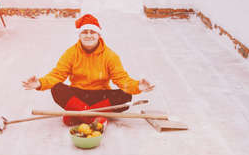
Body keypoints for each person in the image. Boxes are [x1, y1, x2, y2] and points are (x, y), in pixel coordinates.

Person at [22, 13, 154, 125]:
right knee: (57, 88)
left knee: (125, 95)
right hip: (78, 96)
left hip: (100, 97)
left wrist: (138, 86)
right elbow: (57, 75)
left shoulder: (110, 55)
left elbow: (122, 80)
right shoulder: (71, 53)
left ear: (99, 35)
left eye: (92, 32)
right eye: (85, 32)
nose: (89, 35)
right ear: (79, 35)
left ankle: (79, 115)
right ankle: (94, 116)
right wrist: (40, 83)